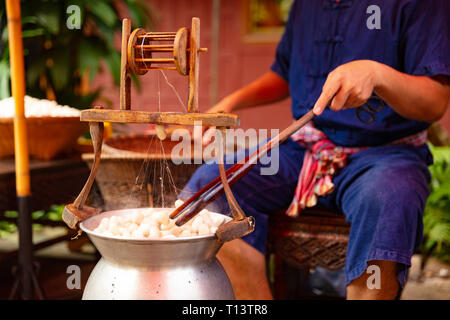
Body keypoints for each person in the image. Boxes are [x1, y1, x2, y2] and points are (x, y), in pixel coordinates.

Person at [179, 0, 450, 300]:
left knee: (389, 199)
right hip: (308, 149)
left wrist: (377, 74)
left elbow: (435, 101)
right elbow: (284, 74)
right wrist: (229, 103)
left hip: (387, 155)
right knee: (214, 187)